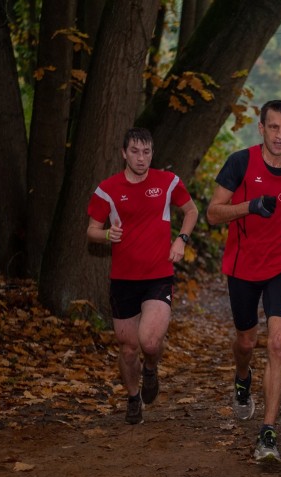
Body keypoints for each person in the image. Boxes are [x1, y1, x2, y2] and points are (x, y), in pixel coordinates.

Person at [207, 100, 281, 462]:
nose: (279, 135)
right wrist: (250, 206)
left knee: (277, 342)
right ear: (261, 128)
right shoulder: (240, 162)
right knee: (246, 341)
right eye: (273, 127)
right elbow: (212, 214)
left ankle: (268, 433)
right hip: (243, 267)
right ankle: (243, 378)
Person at [87, 127, 198, 425]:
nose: (141, 158)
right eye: (135, 151)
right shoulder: (107, 190)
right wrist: (108, 233)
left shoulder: (168, 182)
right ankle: (134, 396)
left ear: (152, 153)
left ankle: (151, 368)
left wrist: (181, 240)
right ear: (124, 153)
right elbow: (91, 230)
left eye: (146, 152)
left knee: (149, 343)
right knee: (128, 347)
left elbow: (191, 211)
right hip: (123, 279)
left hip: (158, 275)